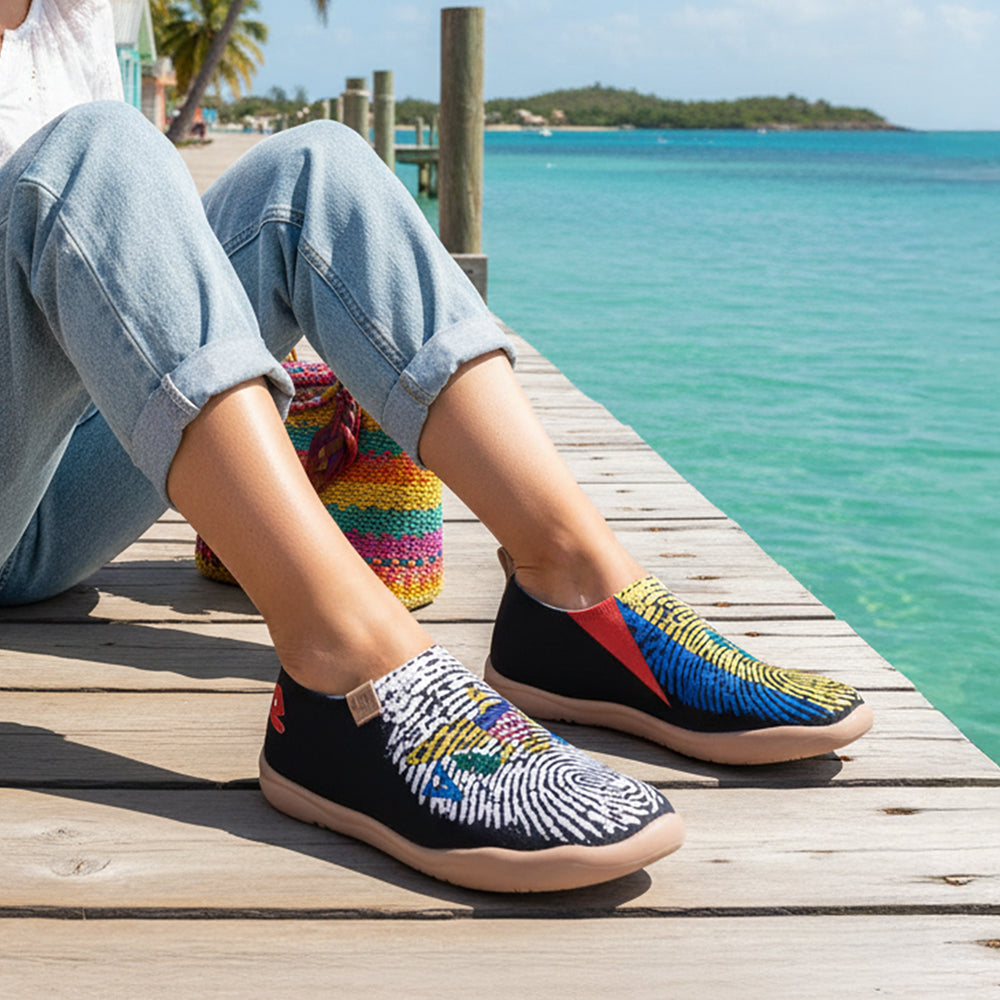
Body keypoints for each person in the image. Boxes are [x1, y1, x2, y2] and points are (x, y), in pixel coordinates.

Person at [0, 0, 872, 893]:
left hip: (48, 481)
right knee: (96, 153)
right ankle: (343, 666)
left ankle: (575, 593)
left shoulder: (73, 12)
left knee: (317, 170)